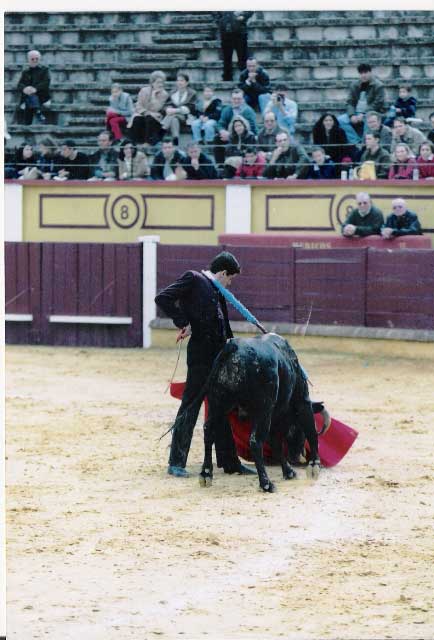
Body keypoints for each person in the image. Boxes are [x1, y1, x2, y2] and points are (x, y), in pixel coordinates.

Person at [155, 251, 254, 477]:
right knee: (191, 405)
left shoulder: (217, 289)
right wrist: (184, 322)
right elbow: (163, 297)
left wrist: (231, 348)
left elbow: (223, 323)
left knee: (221, 408)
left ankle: (229, 463)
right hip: (200, 356)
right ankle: (176, 462)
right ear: (221, 273)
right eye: (230, 278)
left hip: (218, 356)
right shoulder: (193, 278)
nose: (230, 283)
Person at [338, 63, 386, 144]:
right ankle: (356, 142)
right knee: (340, 120)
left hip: (371, 113)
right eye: (361, 73)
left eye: (365, 72)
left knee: (370, 121)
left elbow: (378, 103)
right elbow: (350, 102)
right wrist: (352, 115)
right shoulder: (354, 85)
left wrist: (364, 114)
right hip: (356, 113)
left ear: (370, 72)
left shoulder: (378, 85)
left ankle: (365, 143)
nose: (363, 75)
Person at [214, 89, 257, 165]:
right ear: (231, 99)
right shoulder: (227, 110)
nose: (236, 101)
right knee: (217, 138)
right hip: (230, 135)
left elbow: (252, 127)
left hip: (244, 137)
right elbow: (220, 124)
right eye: (234, 99)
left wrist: (232, 136)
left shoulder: (248, 111)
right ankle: (220, 165)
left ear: (243, 99)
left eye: (239, 99)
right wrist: (222, 131)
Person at [126, 70, 168, 146]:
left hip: (155, 118)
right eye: (158, 82)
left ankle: (147, 142)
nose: (160, 85)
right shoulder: (144, 90)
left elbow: (157, 108)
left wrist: (153, 96)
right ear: (152, 83)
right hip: (143, 113)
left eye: (162, 82)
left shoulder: (164, 94)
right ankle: (135, 142)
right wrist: (146, 112)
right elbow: (138, 105)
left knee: (150, 118)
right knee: (136, 119)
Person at [161, 72, 197, 146]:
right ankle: (175, 138)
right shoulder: (172, 92)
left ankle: (162, 129)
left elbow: (191, 108)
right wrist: (168, 109)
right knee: (174, 119)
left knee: (173, 115)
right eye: (178, 80)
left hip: (187, 117)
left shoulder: (192, 93)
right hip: (175, 117)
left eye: (182, 80)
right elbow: (166, 105)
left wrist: (175, 110)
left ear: (187, 82)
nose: (179, 82)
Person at [16, 50, 51, 125]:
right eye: (32, 59)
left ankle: (27, 124)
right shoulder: (25, 72)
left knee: (30, 98)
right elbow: (20, 84)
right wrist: (24, 89)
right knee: (30, 97)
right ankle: (37, 112)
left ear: (39, 59)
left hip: (41, 96)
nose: (35, 60)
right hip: (28, 95)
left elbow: (46, 82)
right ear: (28, 60)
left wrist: (35, 89)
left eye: (37, 59)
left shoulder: (44, 70)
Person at [217, 11, 253, 81]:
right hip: (226, 32)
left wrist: (244, 16)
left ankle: (244, 77)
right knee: (226, 57)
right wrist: (220, 20)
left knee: (242, 57)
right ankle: (227, 77)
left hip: (240, 32)